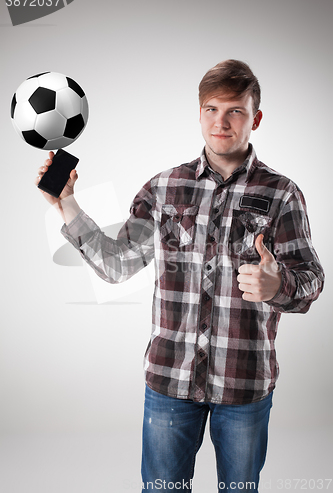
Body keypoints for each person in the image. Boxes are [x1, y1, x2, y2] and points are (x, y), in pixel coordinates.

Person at [35, 60, 324, 492]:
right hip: (171, 380)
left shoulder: (282, 194)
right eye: (211, 109)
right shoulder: (165, 188)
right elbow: (117, 265)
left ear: (255, 119)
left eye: (234, 111)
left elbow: (311, 279)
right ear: (199, 114)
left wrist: (278, 285)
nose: (221, 122)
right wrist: (67, 204)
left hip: (244, 383)